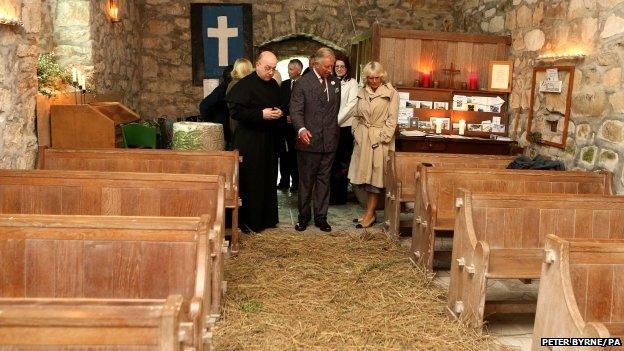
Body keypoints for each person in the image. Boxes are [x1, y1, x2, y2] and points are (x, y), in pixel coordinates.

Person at [226, 51, 283, 233]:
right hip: (249, 140)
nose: (270, 72)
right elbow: (236, 112)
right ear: (257, 65)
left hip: (268, 139)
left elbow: (279, 104)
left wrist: (279, 113)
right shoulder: (245, 85)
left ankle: (267, 218)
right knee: (251, 179)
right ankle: (249, 221)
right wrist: (261, 114)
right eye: (267, 68)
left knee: (268, 177)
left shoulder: (273, 84)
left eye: (273, 69)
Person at [290, 47, 340, 232]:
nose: (330, 70)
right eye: (327, 66)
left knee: (324, 180)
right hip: (308, 141)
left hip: (329, 141)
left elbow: (334, 111)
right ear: (315, 64)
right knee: (306, 181)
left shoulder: (335, 82)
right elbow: (295, 110)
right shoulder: (302, 83)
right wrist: (301, 129)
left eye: (332, 66)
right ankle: (303, 217)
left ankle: (321, 217)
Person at [348, 61, 399, 229]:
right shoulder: (362, 91)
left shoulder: (391, 93)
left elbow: (392, 120)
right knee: (363, 178)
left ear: (382, 76)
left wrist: (382, 138)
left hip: (379, 141)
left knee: (375, 180)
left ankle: (370, 214)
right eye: (370, 78)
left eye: (377, 78)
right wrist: (356, 132)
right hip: (363, 139)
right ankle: (369, 212)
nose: (374, 81)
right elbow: (356, 116)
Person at [329, 55, 358, 205]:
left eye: (342, 66)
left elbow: (351, 105)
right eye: (337, 66)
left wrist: (335, 121)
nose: (339, 69)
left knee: (342, 162)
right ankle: (329, 195)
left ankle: (340, 196)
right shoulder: (330, 80)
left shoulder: (352, 83)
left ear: (347, 68)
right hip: (329, 127)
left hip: (344, 127)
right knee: (330, 161)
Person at [277, 59, 303, 191]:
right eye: (288, 68)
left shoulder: (305, 84)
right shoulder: (285, 84)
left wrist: (295, 118)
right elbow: (280, 103)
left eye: (291, 68)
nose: (288, 71)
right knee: (284, 154)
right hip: (284, 126)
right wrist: (283, 116)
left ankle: (296, 183)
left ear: (299, 70)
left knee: (295, 156)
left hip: (299, 128)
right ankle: (284, 181)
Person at [199, 65, 233, 146]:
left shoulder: (225, 87)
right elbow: (204, 106)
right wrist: (212, 124)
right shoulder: (222, 89)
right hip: (223, 132)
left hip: (225, 131)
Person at [226, 58, 254, 140]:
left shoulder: (245, 83)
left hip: (245, 119)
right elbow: (231, 105)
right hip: (238, 120)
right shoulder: (235, 84)